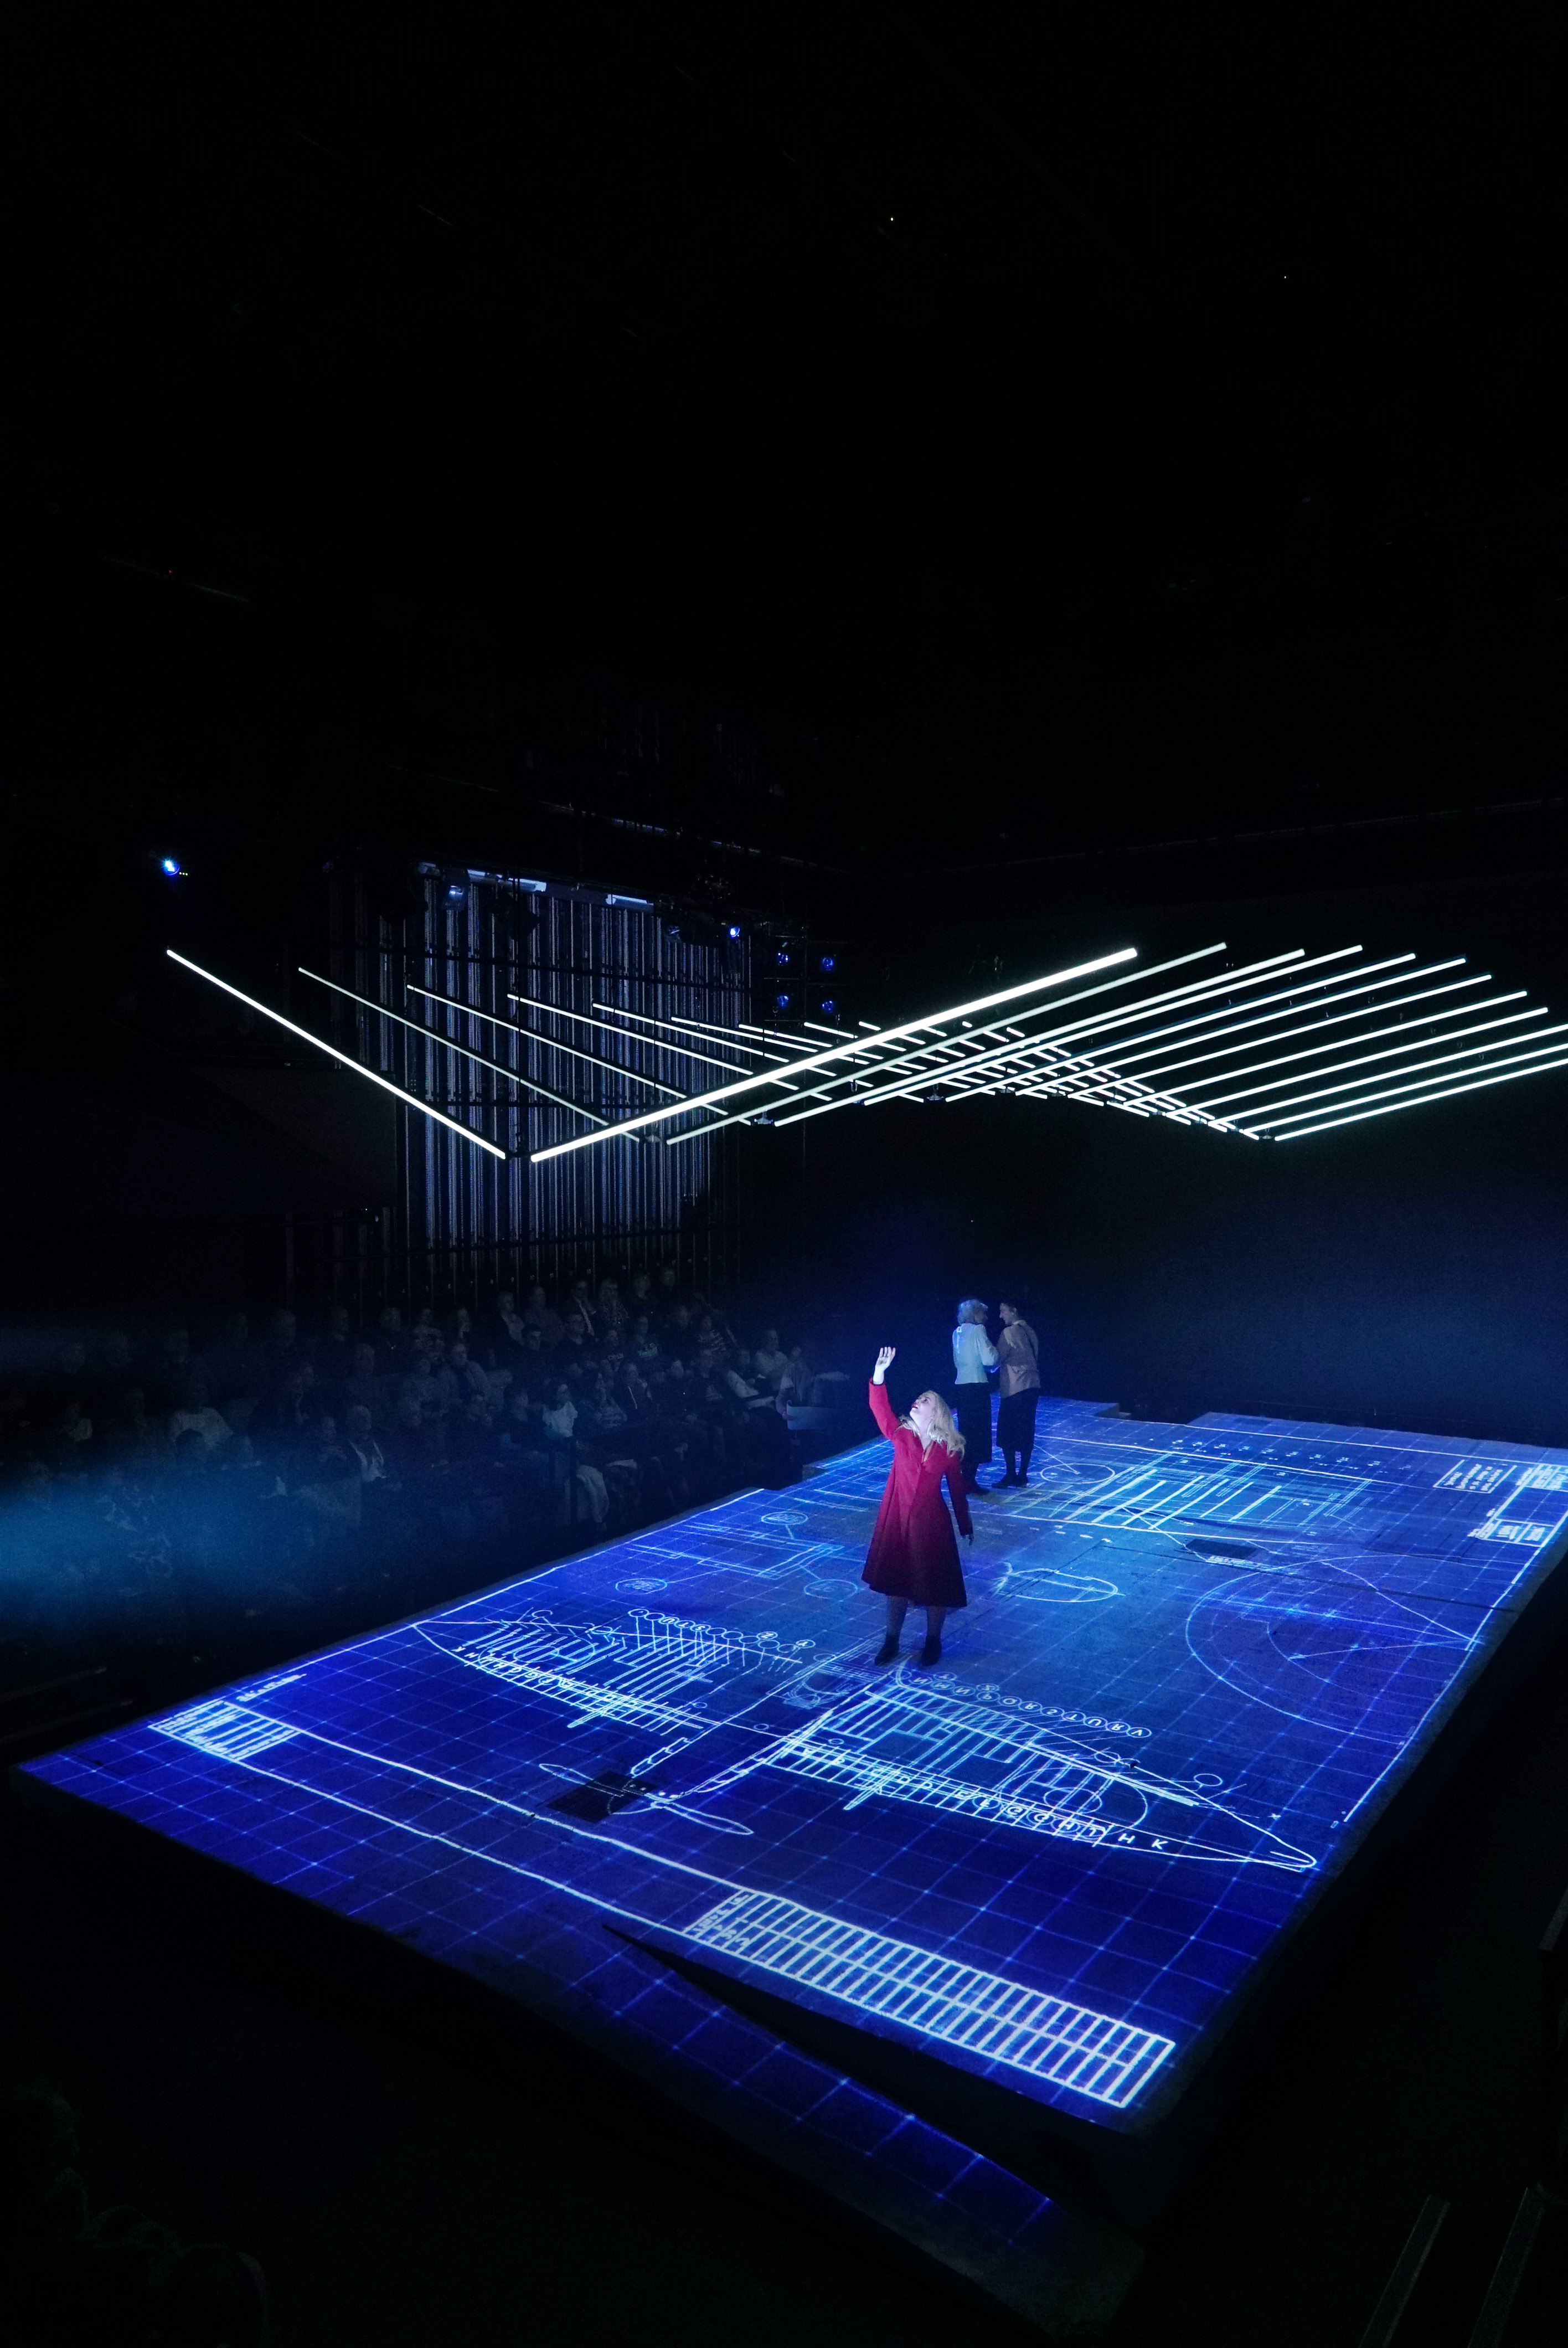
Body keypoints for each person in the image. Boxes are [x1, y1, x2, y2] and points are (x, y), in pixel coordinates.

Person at [862, 1345, 971, 1666]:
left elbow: (957, 1489)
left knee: (935, 1583)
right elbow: (880, 1408)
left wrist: (965, 1523)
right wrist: (879, 1373)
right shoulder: (901, 1434)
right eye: (919, 1398)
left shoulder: (949, 1449)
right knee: (895, 1583)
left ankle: (933, 1641)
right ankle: (891, 1640)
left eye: (925, 1400)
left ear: (937, 1413)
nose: (918, 1401)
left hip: (931, 1523)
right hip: (897, 1518)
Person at [950, 1297, 997, 1492]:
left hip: (962, 1387)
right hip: (977, 1386)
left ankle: (964, 1479)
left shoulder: (957, 1333)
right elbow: (989, 1359)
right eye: (983, 1313)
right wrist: (999, 1356)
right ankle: (970, 1481)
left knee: (967, 1432)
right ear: (976, 1314)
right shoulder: (978, 1330)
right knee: (978, 1434)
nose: (986, 1318)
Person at [993, 1299, 1041, 1487]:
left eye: (1003, 1311)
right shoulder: (1030, 1331)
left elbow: (996, 1359)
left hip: (1015, 1388)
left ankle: (1010, 1474)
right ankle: (1022, 1474)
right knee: (1027, 1429)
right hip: (1033, 1386)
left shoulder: (1009, 1332)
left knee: (1007, 1432)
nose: (1001, 1315)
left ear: (1013, 1311)